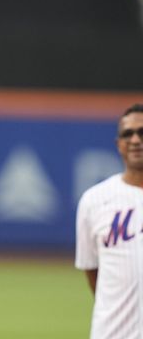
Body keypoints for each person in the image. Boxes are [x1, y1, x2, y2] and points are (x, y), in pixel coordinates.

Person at [75, 103, 143, 339]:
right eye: (128, 133)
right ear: (119, 144)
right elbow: (92, 271)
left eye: (142, 133)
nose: (135, 140)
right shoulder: (94, 200)